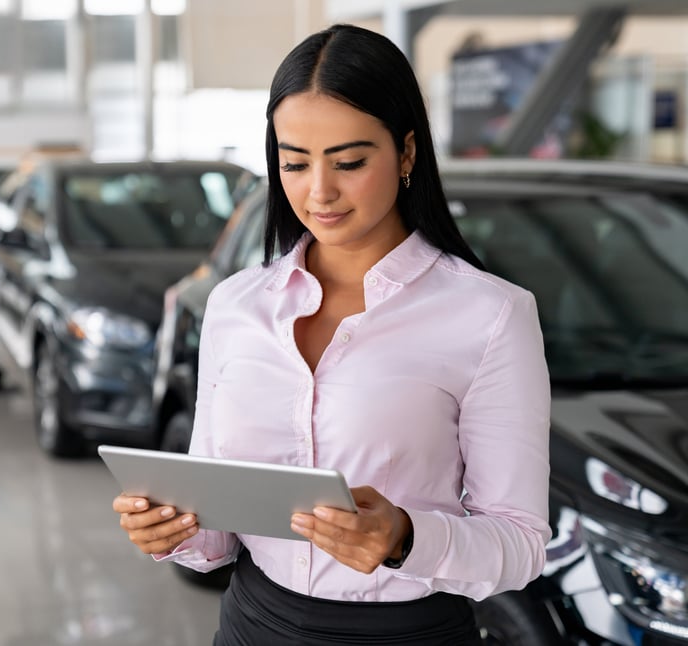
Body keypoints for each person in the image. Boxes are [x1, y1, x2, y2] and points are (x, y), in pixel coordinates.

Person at [112, 23, 551, 645]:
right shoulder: (236, 305)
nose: (319, 192)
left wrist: (403, 537)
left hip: (407, 633)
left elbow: (521, 543)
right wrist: (173, 531)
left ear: (405, 152)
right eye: (294, 163)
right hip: (251, 623)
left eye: (349, 162)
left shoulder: (490, 314)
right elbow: (215, 536)